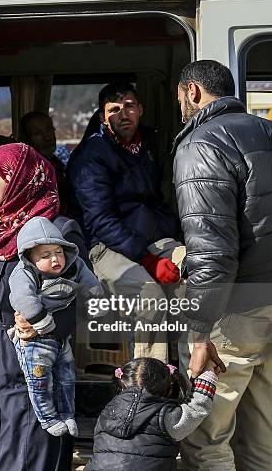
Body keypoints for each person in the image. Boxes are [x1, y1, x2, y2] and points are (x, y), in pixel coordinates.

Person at [173, 59, 272, 470]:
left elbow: (212, 251)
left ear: (192, 92)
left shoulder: (201, 144)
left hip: (235, 315)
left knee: (207, 441)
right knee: (266, 438)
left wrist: (200, 330)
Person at [0, 142, 85, 470]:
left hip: (31, 363)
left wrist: (45, 322)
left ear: (19, 179)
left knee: (26, 454)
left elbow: (76, 298)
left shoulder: (57, 230)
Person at [67, 82, 182, 361]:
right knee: (149, 297)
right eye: (114, 109)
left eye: (129, 106)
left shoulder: (150, 144)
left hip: (153, 239)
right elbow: (100, 220)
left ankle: (191, 378)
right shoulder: (90, 156)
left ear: (140, 109)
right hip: (108, 246)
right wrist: (147, 259)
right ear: (103, 116)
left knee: (195, 272)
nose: (123, 114)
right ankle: (148, 388)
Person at [8, 216, 102, 437]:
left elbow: (90, 283)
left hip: (61, 339)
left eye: (58, 252)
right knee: (39, 381)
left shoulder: (74, 265)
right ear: (30, 258)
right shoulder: (24, 273)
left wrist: (97, 300)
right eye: (45, 255)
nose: (55, 259)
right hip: (35, 340)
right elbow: (23, 299)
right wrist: (42, 322)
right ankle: (48, 418)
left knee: (67, 378)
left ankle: (68, 415)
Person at [85, 357, 218, 471]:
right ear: (169, 388)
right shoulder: (165, 416)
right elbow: (195, 411)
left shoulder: (107, 411)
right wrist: (207, 379)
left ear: (121, 384)